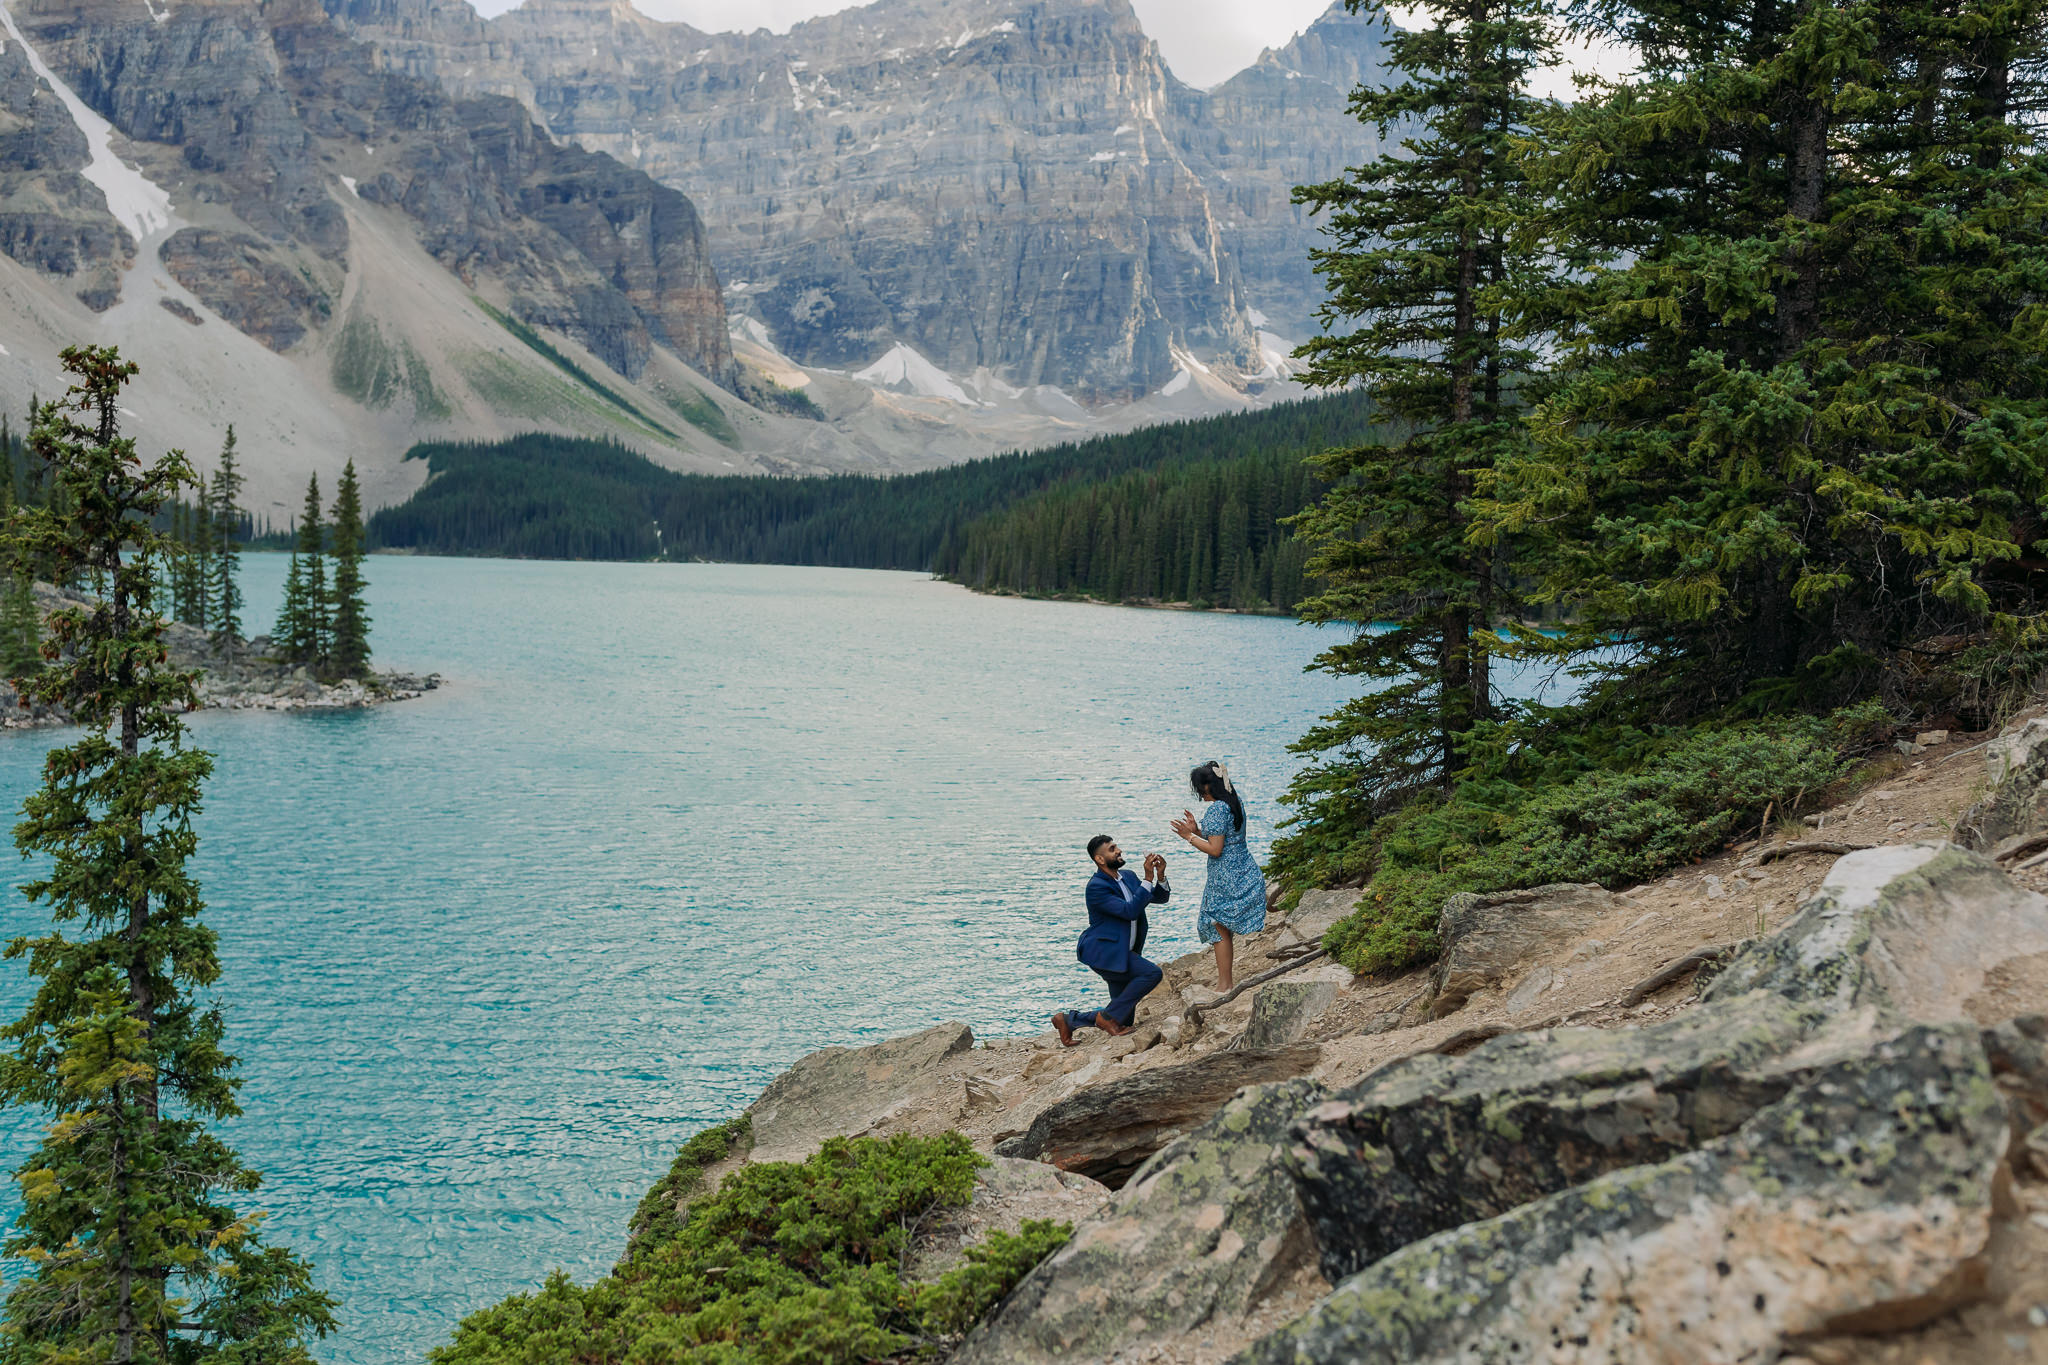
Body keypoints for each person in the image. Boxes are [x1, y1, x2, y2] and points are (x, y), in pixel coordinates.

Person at [1051, 835, 1168, 1046]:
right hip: (1104, 952)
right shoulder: (1096, 887)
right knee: (1152, 973)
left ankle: (1068, 1020)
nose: (1119, 851)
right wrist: (1148, 878)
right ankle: (1104, 1018)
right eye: (1112, 849)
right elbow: (1130, 910)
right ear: (1100, 859)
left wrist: (1159, 876)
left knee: (1123, 1018)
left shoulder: (1129, 876)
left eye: (1117, 847)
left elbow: (1159, 897)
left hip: (1124, 951)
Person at [1170, 761, 1266, 993]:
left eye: (1200, 789)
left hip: (1226, 875)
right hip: (1241, 868)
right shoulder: (1234, 802)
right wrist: (1198, 832)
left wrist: (1188, 837)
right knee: (1220, 925)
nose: (1200, 794)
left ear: (1209, 786)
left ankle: (1225, 984)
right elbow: (1223, 837)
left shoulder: (1216, 809)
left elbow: (1215, 849)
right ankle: (1225, 983)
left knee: (1215, 924)